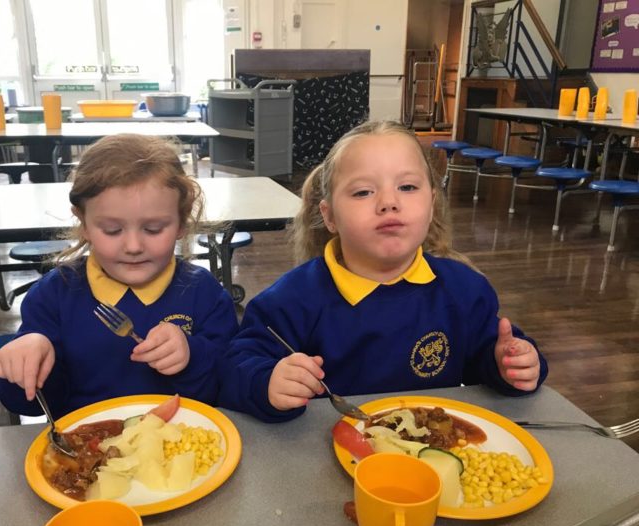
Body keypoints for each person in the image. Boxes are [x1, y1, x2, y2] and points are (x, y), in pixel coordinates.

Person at [219, 120, 547, 423]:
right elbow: (234, 369)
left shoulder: (464, 290)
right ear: (329, 216)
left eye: (407, 187)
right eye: (363, 192)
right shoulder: (291, 301)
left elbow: (488, 362)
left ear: (431, 204)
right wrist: (268, 383)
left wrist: (511, 365)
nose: (388, 202)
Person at [0, 134, 238, 419]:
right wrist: (20, 368)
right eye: (112, 230)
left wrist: (191, 355)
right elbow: (31, 405)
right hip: (88, 450)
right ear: (83, 222)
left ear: (182, 223)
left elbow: (228, 385)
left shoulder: (204, 293)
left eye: (154, 229)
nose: (133, 247)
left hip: (181, 446)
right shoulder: (54, 295)